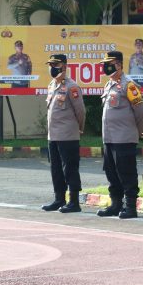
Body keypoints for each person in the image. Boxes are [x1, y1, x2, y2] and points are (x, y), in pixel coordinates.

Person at [96, 51, 143, 219]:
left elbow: (140, 112)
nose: (105, 67)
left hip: (125, 137)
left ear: (118, 64)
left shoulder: (129, 85)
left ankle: (130, 207)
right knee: (111, 172)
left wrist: (137, 133)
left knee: (126, 172)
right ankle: (115, 204)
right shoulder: (109, 84)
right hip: (109, 138)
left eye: (109, 63)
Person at [42, 54, 85, 213]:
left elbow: (80, 111)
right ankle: (59, 199)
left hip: (68, 135)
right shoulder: (51, 85)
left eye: (56, 65)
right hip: (53, 136)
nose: (52, 68)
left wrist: (78, 129)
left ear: (65, 67)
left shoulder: (72, 86)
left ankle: (74, 202)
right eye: (50, 65)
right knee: (56, 169)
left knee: (70, 169)